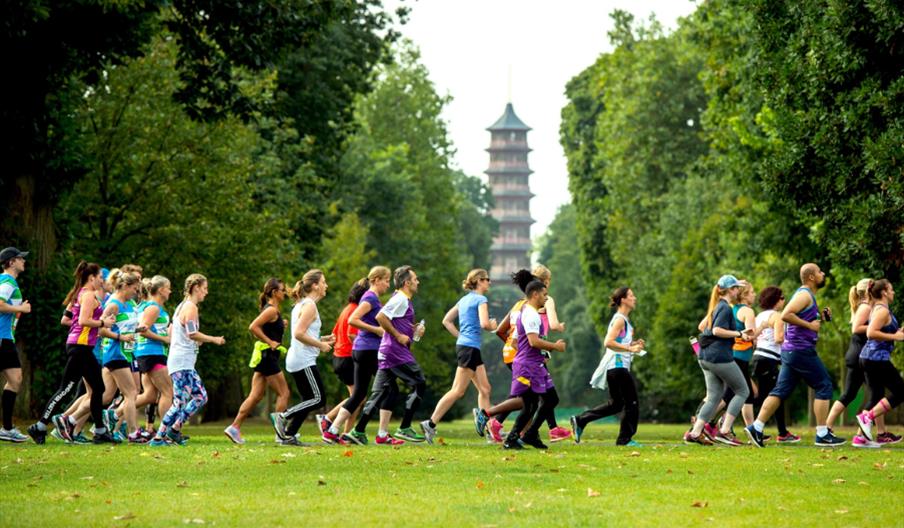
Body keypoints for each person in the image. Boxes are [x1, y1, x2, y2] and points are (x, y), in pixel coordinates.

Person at [745, 263, 845, 447]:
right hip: (800, 350)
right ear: (811, 277)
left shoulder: (808, 296)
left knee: (780, 391)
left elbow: (802, 320)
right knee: (824, 385)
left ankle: (756, 428)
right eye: (820, 272)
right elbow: (786, 315)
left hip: (791, 351)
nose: (823, 274)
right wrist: (810, 326)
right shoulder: (804, 294)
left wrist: (820, 319)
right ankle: (822, 433)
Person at [28, 261, 116, 444]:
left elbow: (71, 320)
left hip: (81, 346)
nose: (102, 280)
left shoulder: (80, 293)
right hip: (80, 347)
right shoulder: (89, 294)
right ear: (92, 278)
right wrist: (103, 323)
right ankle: (40, 426)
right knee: (66, 389)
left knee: (97, 388)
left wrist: (96, 322)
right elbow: (84, 320)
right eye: (100, 277)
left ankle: (100, 430)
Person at [350, 265, 427, 445]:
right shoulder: (400, 298)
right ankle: (405, 427)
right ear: (407, 282)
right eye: (415, 279)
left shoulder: (403, 299)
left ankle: (358, 430)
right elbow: (381, 317)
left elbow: (394, 320)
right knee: (420, 383)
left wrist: (412, 330)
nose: (418, 282)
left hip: (387, 352)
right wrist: (397, 335)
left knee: (379, 393)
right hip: (395, 353)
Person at [420, 269, 497, 444]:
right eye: (487, 279)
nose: (489, 282)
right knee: (458, 391)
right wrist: (492, 325)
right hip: (469, 348)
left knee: (485, 389)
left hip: (468, 347)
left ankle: (489, 433)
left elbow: (446, 320)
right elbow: (485, 323)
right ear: (479, 281)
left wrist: (460, 336)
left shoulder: (463, 300)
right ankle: (430, 424)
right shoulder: (481, 299)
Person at [150, 274, 225, 446]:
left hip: (182, 360)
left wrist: (194, 341)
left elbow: (177, 332)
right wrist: (213, 339)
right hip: (182, 362)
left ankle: (174, 430)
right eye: (205, 288)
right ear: (196, 287)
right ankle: (159, 437)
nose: (206, 292)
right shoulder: (191, 307)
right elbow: (192, 333)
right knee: (182, 401)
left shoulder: (181, 306)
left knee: (198, 397)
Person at [323, 266, 392, 445]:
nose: (388, 284)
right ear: (376, 279)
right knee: (390, 387)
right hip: (368, 350)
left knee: (359, 394)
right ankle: (381, 434)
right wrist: (376, 330)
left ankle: (332, 429)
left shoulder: (371, 298)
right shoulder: (369, 298)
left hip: (362, 350)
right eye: (386, 280)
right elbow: (353, 319)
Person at [570, 287, 643, 446]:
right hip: (618, 367)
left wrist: (633, 344)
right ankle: (624, 439)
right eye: (631, 295)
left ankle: (581, 420)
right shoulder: (620, 320)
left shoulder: (623, 320)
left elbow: (619, 342)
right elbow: (608, 342)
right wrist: (630, 349)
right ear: (623, 300)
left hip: (615, 368)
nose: (634, 298)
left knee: (616, 404)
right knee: (632, 402)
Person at [684, 275, 751, 446]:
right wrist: (739, 334)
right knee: (742, 391)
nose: (739, 291)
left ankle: (695, 432)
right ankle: (725, 430)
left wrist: (738, 282)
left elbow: (703, 327)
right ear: (730, 290)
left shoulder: (716, 306)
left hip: (705, 357)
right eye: (736, 288)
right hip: (719, 357)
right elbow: (717, 330)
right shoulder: (725, 308)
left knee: (714, 397)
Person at [270, 270, 335, 445]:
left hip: (298, 357)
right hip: (303, 359)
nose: (326, 286)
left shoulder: (301, 304)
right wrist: (321, 346)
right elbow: (298, 334)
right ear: (315, 285)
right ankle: (282, 417)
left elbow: (303, 333)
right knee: (318, 398)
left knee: (309, 399)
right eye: (323, 282)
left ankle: (289, 435)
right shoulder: (309, 305)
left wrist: (322, 339)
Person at [500, 280, 566, 450]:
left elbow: (516, 341)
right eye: (544, 295)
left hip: (534, 364)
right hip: (528, 367)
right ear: (535, 294)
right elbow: (533, 341)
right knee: (531, 404)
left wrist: (538, 355)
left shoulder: (528, 311)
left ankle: (527, 435)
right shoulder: (530, 314)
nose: (546, 298)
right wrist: (555, 347)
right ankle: (512, 439)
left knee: (547, 400)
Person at [826, 279, 893, 445]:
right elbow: (856, 328)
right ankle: (827, 428)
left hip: (864, 354)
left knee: (874, 394)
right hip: (860, 355)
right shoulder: (866, 306)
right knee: (853, 394)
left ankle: (878, 433)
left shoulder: (870, 306)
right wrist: (878, 326)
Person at [225, 278, 291, 444]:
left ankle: (234, 428)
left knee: (256, 396)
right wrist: (270, 342)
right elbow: (253, 327)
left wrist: (281, 325)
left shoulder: (273, 311)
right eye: (282, 290)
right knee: (284, 393)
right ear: (275, 292)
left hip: (265, 358)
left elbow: (267, 328)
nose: (285, 293)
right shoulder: (271, 311)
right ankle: (280, 434)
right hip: (268, 357)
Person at [475, 270, 537, 442]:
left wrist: (510, 343)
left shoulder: (518, 305)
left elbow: (501, 330)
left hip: (510, 353)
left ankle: (523, 433)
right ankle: (490, 416)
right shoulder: (531, 308)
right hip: (523, 355)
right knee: (529, 398)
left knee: (527, 396)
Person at [317, 279, 369, 442]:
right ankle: (328, 419)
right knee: (357, 397)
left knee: (358, 398)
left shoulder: (347, 309)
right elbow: (351, 335)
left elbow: (334, 334)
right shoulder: (355, 311)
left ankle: (345, 433)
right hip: (347, 358)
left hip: (340, 358)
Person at [855, 279, 904, 444]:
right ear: (884, 292)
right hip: (876, 358)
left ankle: (860, 438)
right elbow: (871, 332)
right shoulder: (882, 310)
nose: (893, 292)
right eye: (891, 289)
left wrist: (898, 332)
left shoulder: (880, 309)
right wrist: (895, 337)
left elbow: (883, 330)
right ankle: (867, 417)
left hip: (869, 358)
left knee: (876, 396)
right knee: (901, 392)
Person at [751, 286, 799, 443]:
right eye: (783, 297)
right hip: (769, 359)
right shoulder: (777, 316)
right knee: (770, 396)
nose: (784, 301)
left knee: (771, 395)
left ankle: (782, 432)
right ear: (776, 300)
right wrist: (795, 341)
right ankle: (722, 416)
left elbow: (755, 338)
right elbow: (779, 338)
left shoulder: (759, 316)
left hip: (758, 357)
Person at [531, 265, 571, 442]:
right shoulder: (547, 299)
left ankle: (553, 428)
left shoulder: (527, 299)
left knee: (544, 394)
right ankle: (493, 417)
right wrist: (560, 327)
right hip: (540, 348)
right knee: (545, 396)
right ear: (546, 281)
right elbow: (553, 325)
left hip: (527, 348)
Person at [133, 275, 174, 435]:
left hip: (149, 353)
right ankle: (167, 431)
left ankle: (113, 415)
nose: (170, 291)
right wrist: (165, 339)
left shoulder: (155, 307)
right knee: (168, 392)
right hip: (151, 353)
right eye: (168, 288)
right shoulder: (153, 307)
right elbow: (143, 330)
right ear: (162, 290)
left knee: (150, 395)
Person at [0, 247, 31, 442]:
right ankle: (7, 428)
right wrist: (20, 308)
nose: (24, 261)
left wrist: (17, 312)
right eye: (20, 259)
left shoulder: (6, 281)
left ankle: (7, 428)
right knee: (15, 379)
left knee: (15, 379)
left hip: (5, 338)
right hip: (2, 339)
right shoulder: (8, 281)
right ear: (11, 262)